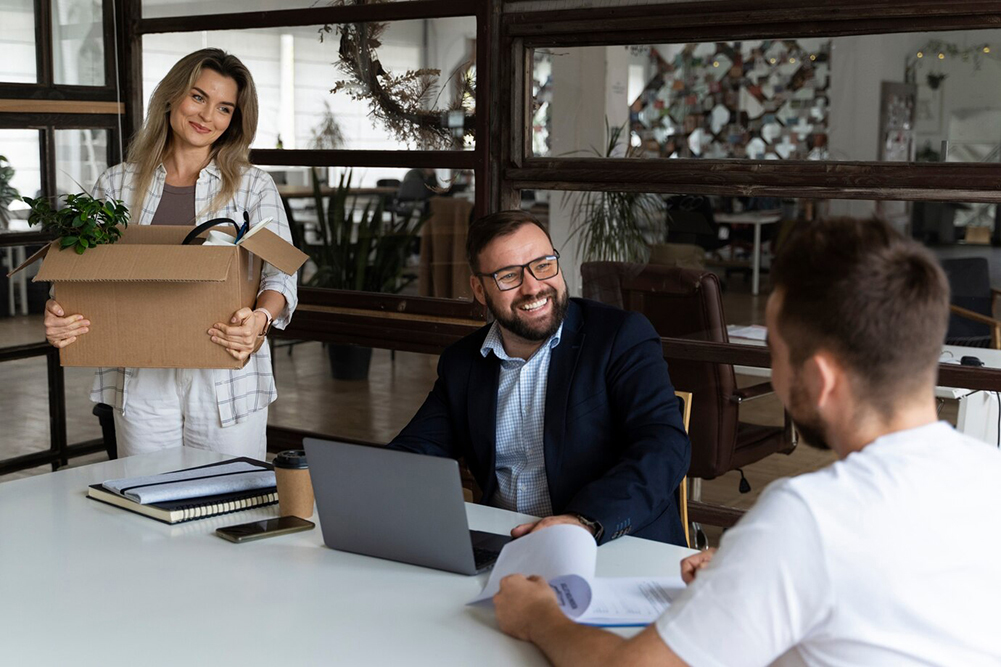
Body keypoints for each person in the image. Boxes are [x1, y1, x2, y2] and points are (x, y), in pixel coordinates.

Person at [492, 216, 1001, 665]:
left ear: (821, 379)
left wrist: (539, 616)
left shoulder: (806, 519)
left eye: (776, 354)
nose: (776, 378)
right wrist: (758, 574)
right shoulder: (990, 474)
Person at [41, 49, 297, 461]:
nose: (207, 116)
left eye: (224, 108)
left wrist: (260, 321)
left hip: (225, 371)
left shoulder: (254, 186)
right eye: (198, 97)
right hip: (139, 373)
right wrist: (60, 309)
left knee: (228, 500)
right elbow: (83, 270)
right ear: (172, 96)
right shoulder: (117, 183)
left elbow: (281, 274)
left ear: (235, 119)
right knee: (146, 506)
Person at [388, 210, 691, 546]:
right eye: (508, 276)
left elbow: (663, 446)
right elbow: (418, 449)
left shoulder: (619, 337)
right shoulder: (463, 362)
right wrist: (372, 483)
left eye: (543, 265)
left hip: (613, 544)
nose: (533, 287)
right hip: (508, 549)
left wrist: (583, 522)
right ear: (479, 288)